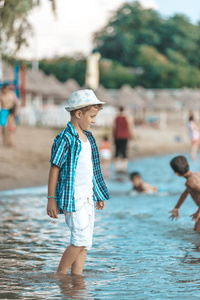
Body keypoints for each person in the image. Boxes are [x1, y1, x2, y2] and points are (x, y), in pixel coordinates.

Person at [47, 89, 110, 276]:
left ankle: (76, 278)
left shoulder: (88, 138)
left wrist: (97, 195)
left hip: (88, 197)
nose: (94, 120)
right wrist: (51, 198)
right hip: (73, 198)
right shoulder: (65, 138)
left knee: (86, 242)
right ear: (79, 113)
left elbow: (91, 171)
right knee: (80, 239)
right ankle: (60, 274)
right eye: (92, 116)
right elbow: (54, 168)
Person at [169, 155, 200, 232]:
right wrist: (177, 207)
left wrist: (198, 212)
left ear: (176, 173)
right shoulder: (197, 174)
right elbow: (186, 192)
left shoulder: (190, 182)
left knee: (196, 236)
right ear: (188, 164)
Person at [113, 106, 135, 173]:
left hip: (117, 136)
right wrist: (132, 135)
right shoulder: (127, 117)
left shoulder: (116, 118)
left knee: (117, 151)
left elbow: (113, 127)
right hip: (125, 136)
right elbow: (130, 126)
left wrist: (113, 136)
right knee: (124, 151)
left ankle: (117, 168)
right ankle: (124, 168)